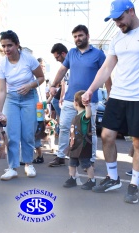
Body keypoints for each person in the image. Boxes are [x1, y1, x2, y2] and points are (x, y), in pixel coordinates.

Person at [82, 0, 139, 204]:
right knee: (106, 135)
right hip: (118, 96)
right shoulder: (117, 39)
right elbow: (106, 68)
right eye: (114, 20)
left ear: (131, 11)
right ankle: (113, 178)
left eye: (120, 19)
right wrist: (91, 90)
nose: (118, 24)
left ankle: (134, 184)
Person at [49, 25, 107, 168]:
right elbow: (63, 69)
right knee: (64, 127)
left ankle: (91, 159)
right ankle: (61, 156)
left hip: (89, 100)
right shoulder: (71, 53)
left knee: (90, 130)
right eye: (75, 36)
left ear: (87, 36)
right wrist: (54, 84)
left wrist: (110, 95)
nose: (77, 39)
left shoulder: (98, 54)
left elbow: (106, 74)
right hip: (70, 100)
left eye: (80, 35)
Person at [0, 30, 44, 180]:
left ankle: (28, 164)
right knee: (12, 134)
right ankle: (12, 167)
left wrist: (30, 85)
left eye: (9, 45)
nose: (6, 49)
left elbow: (41, 78)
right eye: (3, 46)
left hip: (29, 97)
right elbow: (2, 89)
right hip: (11, 99)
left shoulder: (29, 59)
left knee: (28, 133)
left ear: (17, 45)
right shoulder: (2, 63)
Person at [63, 90, 96, 190]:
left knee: (86, 164)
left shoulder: (84, 116)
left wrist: (87, 105)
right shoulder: (76, 116)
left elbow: (88, 115)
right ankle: (72, 178)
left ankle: (92, 180)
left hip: (83, 145)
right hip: (74, 144)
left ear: (75, 103)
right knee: (72, 163)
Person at [50, 43, 69, 136]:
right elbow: (64, 82)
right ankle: (63, 122)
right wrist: (61, 96)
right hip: (66, 93)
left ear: (63, 54)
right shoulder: (64, 66)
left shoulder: (72, 63)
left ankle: (64, 122)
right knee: (55, 102)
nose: (57, 60)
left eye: (57, 57)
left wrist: (62, 96)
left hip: (74, 94)